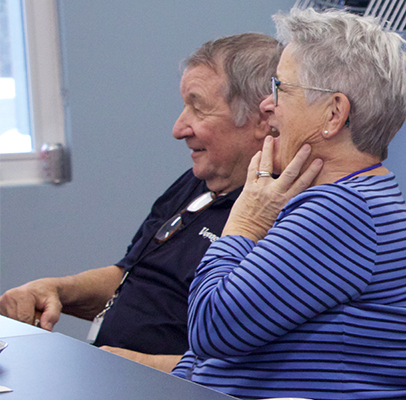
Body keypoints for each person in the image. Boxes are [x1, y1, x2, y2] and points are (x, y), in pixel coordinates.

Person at [172, 9, 406, 400]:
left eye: (281, 88)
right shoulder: (337, 201)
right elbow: (203, 354)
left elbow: (211, 327)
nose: (267, 104)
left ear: (334, 113)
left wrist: (244, 223)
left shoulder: (344, 213)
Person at [0, 34, 279, 372]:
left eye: (198, 107)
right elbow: (131, 276)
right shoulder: (198, 180)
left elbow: (262, 371)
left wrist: (141, 368)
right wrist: (56, 290)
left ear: (263, 119)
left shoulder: (279, 214)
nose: (178, 128)